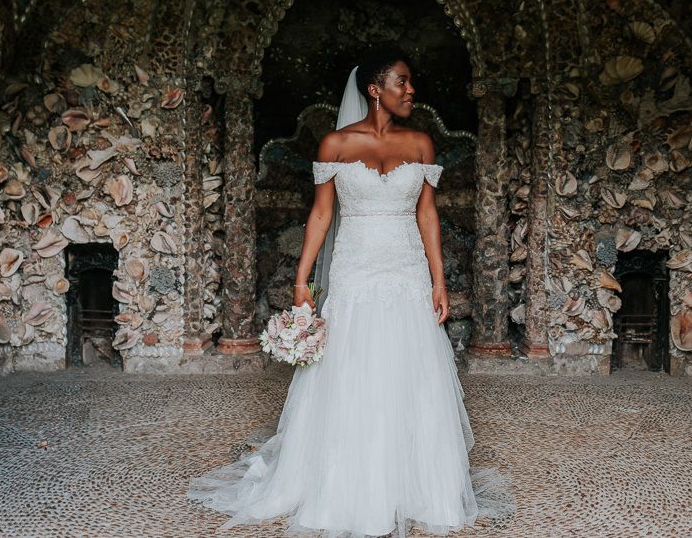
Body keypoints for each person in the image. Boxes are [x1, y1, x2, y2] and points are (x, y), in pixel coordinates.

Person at [188, 46, 514, 537]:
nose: (411, 90)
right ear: (374, 89)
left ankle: (417, 484)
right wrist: (302, 281)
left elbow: (427, 214)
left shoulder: (422, 143)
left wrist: (438, 278)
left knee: (410, 366)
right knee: (351, 366)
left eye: (410, 82)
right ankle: (347, 484)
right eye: (402, 82)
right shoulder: (335, 145)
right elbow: (321, 214)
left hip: (405, 268)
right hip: (355, 268)